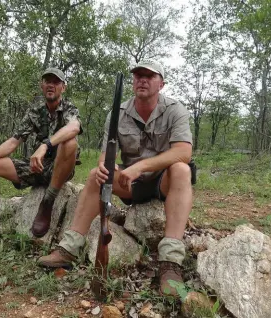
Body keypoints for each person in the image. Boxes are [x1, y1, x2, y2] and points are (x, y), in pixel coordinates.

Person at [37, 60, 193, 297]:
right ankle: (69, 248)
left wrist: (140, 167)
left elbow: (183, 152)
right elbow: (104, 158)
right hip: (130, 184)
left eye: (149, 76)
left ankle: (170, 262)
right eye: (138, 75)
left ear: (161, 83)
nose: (142, 79)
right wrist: (103, 167)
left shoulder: (175, 109)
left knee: (183, 170)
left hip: (162, 182)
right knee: (94, 176)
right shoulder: (117, 113)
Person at [0, 67, 82, 241]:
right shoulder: (35, 111)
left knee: (70, 142)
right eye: (47, 81)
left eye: (56, 82)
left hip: (60, 168)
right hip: (38, 166)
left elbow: (74, 127)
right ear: (42, 85)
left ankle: (48, 202)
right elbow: (14, 141)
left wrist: (45, 145)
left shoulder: (69, 109)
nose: (51, 85)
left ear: (63, 87)